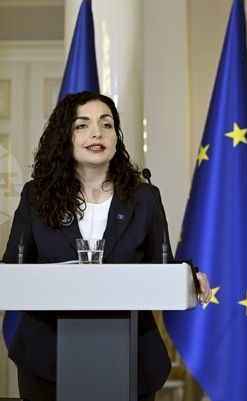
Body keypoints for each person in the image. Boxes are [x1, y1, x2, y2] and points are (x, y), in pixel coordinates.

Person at [1, 91, 212, 401]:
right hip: (47, 355)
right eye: (82, 125)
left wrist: (189, 275)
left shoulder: (144, 197)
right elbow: (13, 268)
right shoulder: (37, 195)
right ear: (65, 136)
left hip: (131, 354)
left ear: (116, 138)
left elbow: (162, 266)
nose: (97, 133)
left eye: (106, 124)